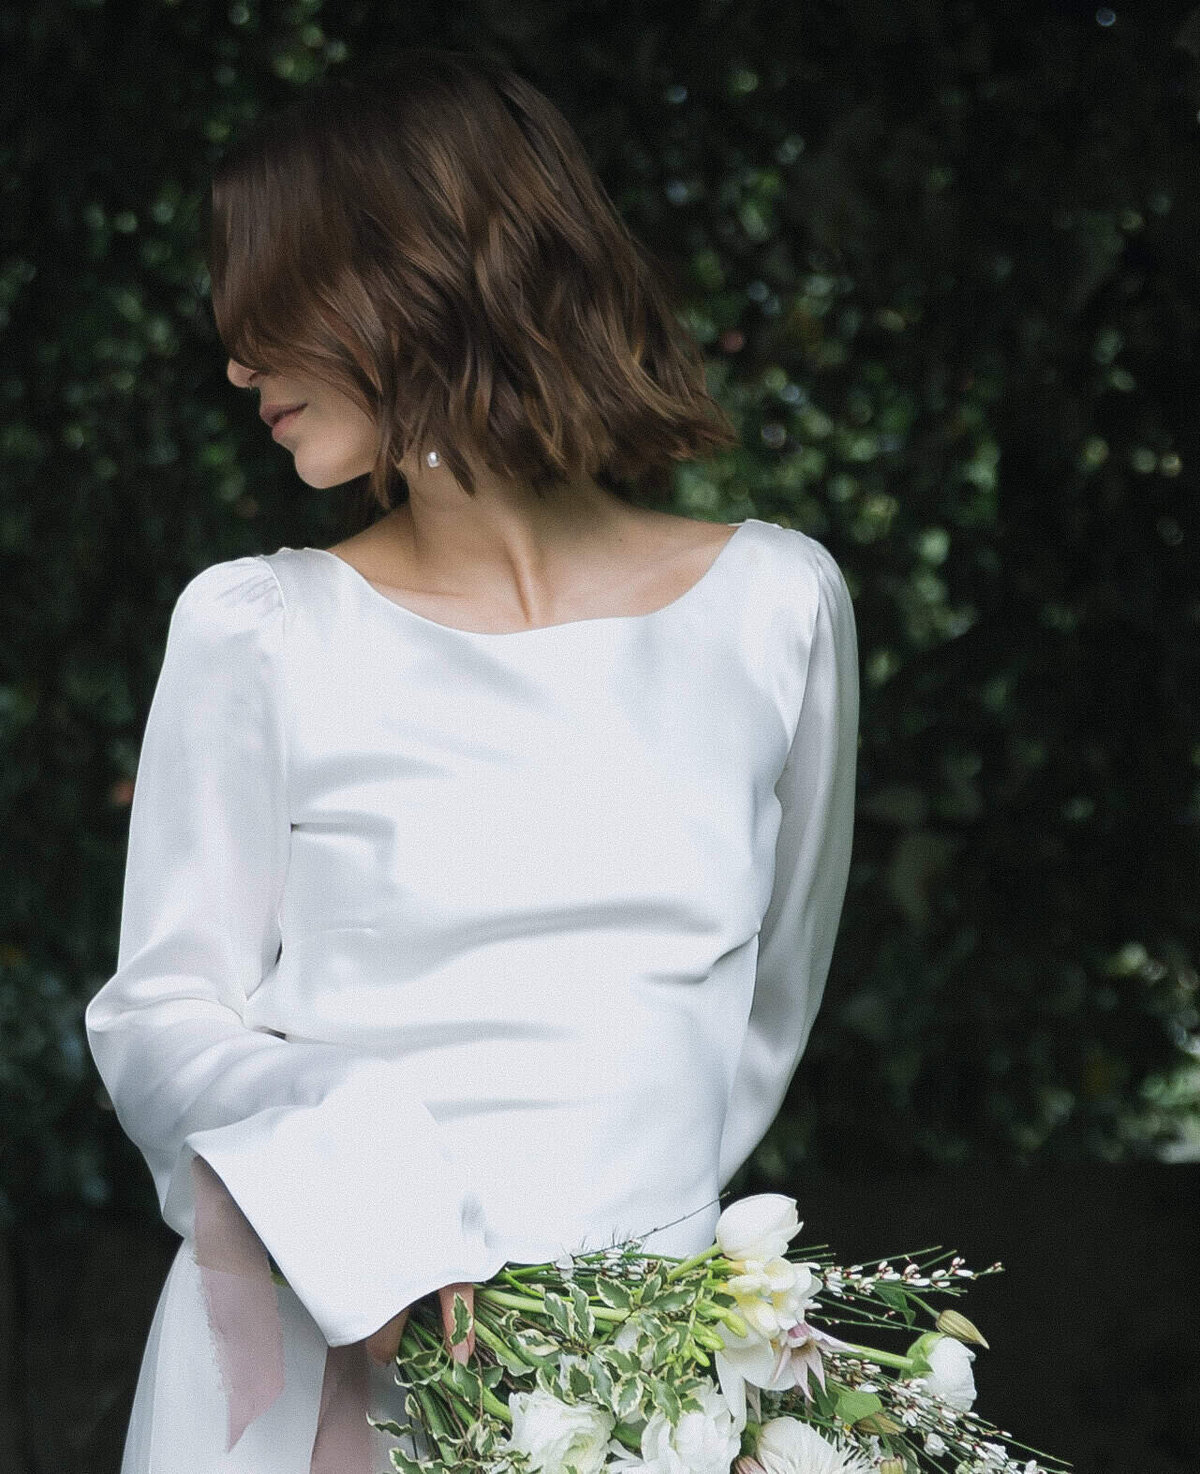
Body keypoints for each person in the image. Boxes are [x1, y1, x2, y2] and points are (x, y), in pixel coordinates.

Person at [84, 46, 860, 1474]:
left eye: (272, 301)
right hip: (316, 1384)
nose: (239, 357)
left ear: (423, 274)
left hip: (648, 1391)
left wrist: (626, 1283)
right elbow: (158, 1012)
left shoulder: (780, 610)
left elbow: (766, 1009)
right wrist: (360, 1200)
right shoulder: (260, 632)